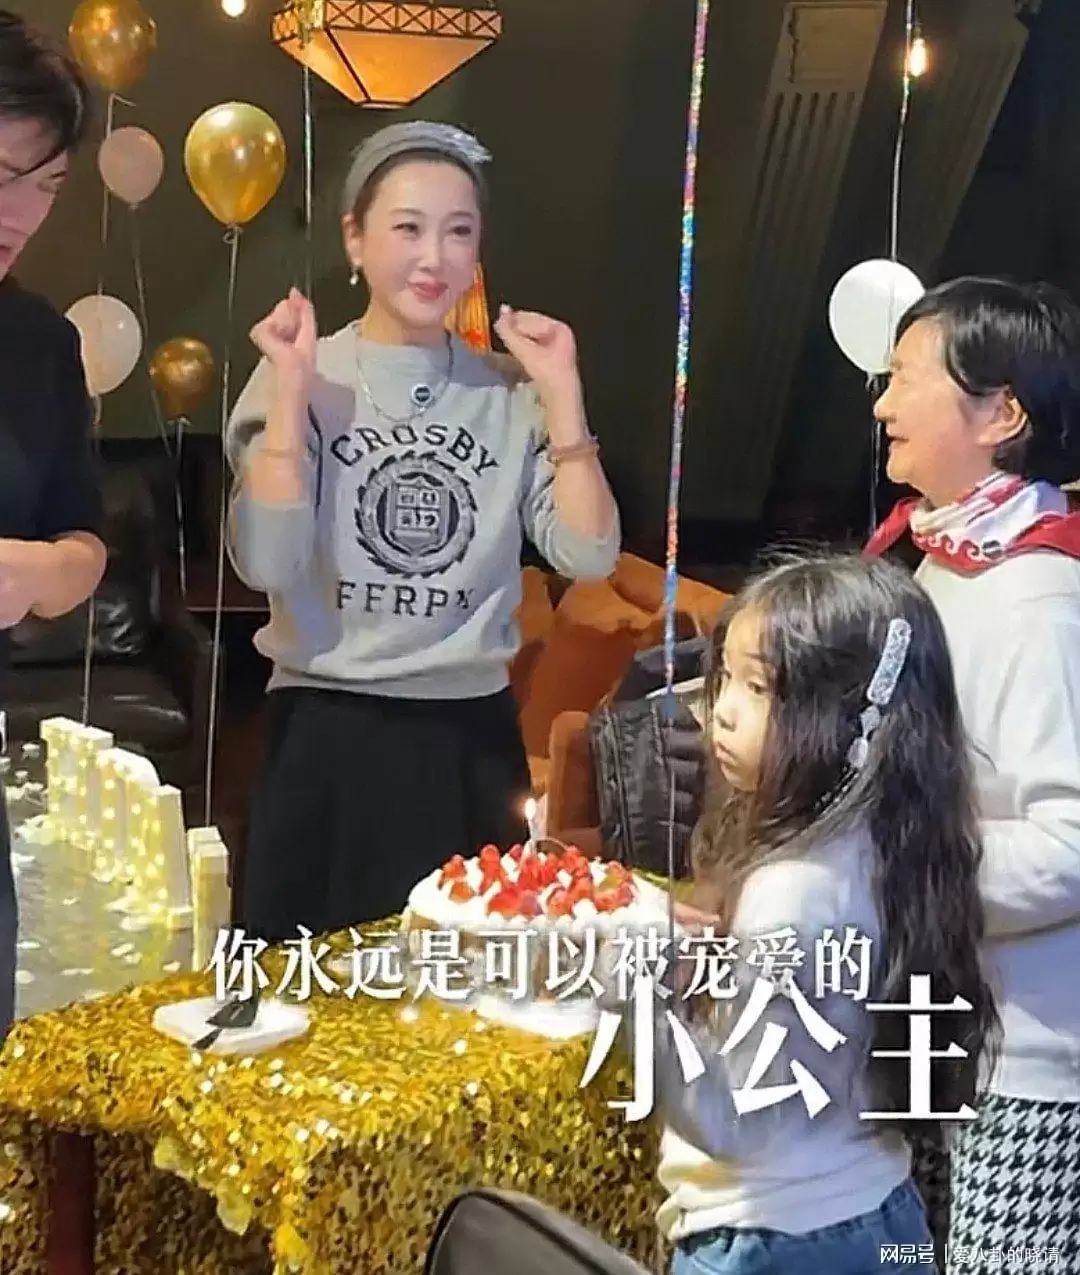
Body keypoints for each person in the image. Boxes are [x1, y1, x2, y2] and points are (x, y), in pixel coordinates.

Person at [226, 121, 620, 941]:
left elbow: (588, 552)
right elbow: (267, 559)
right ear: (355, 238)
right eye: (408, 227)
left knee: (462, 994)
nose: (433, 257)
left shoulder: (509, 390)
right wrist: (292, 397)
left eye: (459, 231)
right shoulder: (296, 372)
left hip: (466, 741)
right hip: (325, 734)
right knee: (311, 994)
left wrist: (563, 394)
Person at [634, 554, 998, 1275]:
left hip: (777, 1240)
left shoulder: (794, 890)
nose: (722, 709)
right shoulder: (892, 843)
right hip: (885, 1217)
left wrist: (633, 976)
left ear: (845, 713)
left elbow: (734, 1124)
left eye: (759, 686)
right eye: (724, 677)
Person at [868, 277, 1080, 1271]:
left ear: (1002, 414)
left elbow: (1070, 843)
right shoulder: (946, 558)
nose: (882, 404)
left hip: (1021, 1054)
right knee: (909, 1255)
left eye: (907, 377)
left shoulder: (1040, 603)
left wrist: (899, 867)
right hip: (939, 1015)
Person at [0, 11, 105, 1042]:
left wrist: (37, 568)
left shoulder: (38, 346)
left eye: (46, 185)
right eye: (1, 173)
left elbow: (83, 543)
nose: (21, 211)